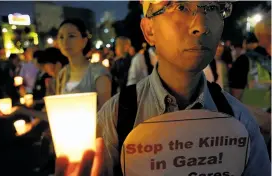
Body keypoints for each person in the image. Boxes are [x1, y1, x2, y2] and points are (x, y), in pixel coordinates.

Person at [55, 2, 270, 176]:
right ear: (149, 30)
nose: (201, 25)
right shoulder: (115, 118)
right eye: (180, 7)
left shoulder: (239, 119)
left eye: (212, 7)